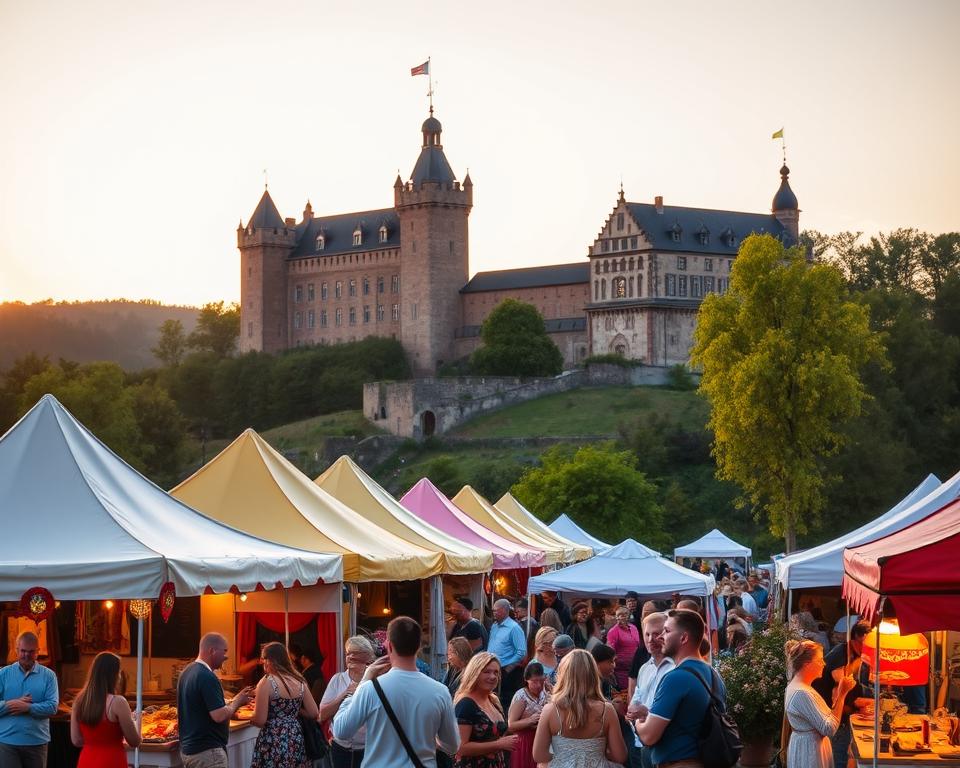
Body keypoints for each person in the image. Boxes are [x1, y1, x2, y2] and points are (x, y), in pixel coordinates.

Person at [332, 616, 460, 767]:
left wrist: (362, 682)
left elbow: (340, 731)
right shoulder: (440, 692)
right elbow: (452, 745)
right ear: (418, 646)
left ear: (390, 646)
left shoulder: (370, 689)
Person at [634, 609, 725, 767]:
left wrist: (637, 722)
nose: (661, 636)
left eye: (667, 631)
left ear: (683, 638)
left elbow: (649, 736)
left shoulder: (676, 678)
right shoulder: (713, 674)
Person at [531, 649, 627, 767]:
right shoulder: (607, 710)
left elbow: (539, 755)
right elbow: (620, 756)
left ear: (563, 676)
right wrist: (598, 754)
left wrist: (564, 757)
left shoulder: (551, 710)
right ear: (593, 675)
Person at [177, 632, 254, 768]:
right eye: (224, 651)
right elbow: (218, 716)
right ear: (212, 651)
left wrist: (234, 700)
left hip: (189, 750)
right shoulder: (207, 676)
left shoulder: (186, 672)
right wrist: (238, 701)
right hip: (208, 753)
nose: (226, 656)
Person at [785, 639, 855, 768]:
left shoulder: (803, 687)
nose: (824, 664)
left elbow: (827, 716)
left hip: (809, 745)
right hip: (809, 751)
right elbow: (830, 728)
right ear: (807, 664)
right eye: (819, 660)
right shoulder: (802, 693)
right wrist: (842, 694)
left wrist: (838, 693)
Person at [811, 621, 871, 768]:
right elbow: (841, 686)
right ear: (857, 636)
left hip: (839, 711)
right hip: (830, 712)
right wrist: (855, 704)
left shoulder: (856, 654)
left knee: (846, 753)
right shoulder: (842, 652)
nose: (871, 646)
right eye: (868, 640)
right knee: (840, 756)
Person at [250, 642, 319, 768]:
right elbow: (313, 713)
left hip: (273, 738)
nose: (262, 662)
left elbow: (260, 720)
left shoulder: (266, 682)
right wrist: (292, 710)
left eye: (263, 658)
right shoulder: (300, 680)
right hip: (295, 735)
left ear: (270, 660)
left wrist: (248, 717)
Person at [70, 651, 140, 768]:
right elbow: (134, 741)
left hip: (87, 760)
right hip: (112, 760)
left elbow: (76, 740)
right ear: (114, 675)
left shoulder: (79, 701)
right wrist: (136, 723)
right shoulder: (118, 702)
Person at [0, 631, 59, 768]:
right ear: (16, 650)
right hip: (7, 743)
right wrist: (11, 704)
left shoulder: (49, 676)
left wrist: (28, 708)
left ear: (37, 652)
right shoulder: (3, 674)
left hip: (37, 743)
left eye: (31, 651)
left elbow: (52, 707)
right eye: (23, 651)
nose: (26, 655)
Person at [626, 612, 674, 768]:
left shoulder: (676, 668)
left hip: (668, 745)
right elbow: (636, 699)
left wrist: (646, 712)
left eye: (656, 633)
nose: (650, 639)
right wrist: (632, 713)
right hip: (643, 745)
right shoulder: (644, 669)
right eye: (647, 634)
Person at [320, 635, 376, 768]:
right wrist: (345, 694)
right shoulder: (337, 680)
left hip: (368, 749)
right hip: (340, 748)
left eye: (355, 653)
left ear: (367, 657)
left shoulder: (376, 681)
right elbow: (322, 715)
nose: (350, 657)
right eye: (347, 653)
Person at [453, 652, 517, 768]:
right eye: (486, 672)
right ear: (475, 674)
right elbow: (460, 748)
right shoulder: (466, 704)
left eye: (496, 672)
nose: (492, 676)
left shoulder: (493, 701)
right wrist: (499, 744)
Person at [507, 662, 548, 768]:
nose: (539, 685)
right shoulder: (521, 696)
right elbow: (511, 725)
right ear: (526, 680)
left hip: (541, 740)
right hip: (525, 742)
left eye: (541, 681)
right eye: (534, 681)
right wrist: (530, 720)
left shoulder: (545, 693)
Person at [488, 599, 527, 708]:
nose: (494, 613)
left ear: (505, 611)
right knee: (492, 697)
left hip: (507, 671)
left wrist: (508, 668)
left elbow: (521, 652)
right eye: (493, 611)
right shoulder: (494, 626)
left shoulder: (514, 628)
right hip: (493, 668)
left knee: (504, 701)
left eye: (497, 611)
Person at [626, 602, 660, 700]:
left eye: (649, 614)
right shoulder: (642, 655)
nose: (650, 639)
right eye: (643, 616)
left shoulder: (672, 659)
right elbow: (632, 683)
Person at [606, 607, 641, 691]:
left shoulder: (634, 628)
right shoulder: (613, 631)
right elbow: (610, 651)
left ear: (628, 616)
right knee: (624, 693)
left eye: (623, 615)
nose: (621, 617)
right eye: (618, 615)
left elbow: (638, 644)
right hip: (620, 671)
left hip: (635, 667)